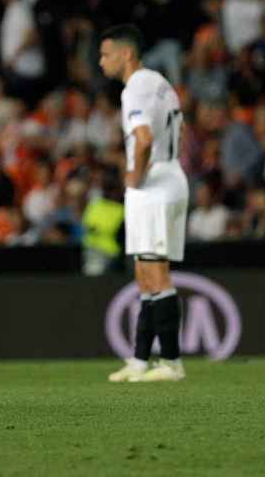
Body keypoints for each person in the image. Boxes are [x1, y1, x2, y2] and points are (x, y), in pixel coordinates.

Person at [99, 25, 189, 383]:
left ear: (126, 54)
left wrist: (135, 175)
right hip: (169, 174)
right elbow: (178, 131)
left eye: (105, 54)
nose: (101, 61)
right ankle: (139, 359)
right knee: (144, 272)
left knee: (155, 273)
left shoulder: (134, 89)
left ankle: (171, 362)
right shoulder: (159, 82)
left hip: (153, 183)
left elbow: (144, 137)